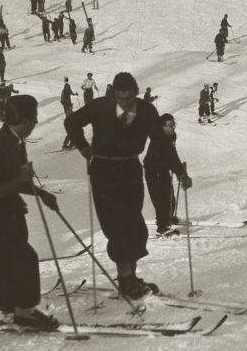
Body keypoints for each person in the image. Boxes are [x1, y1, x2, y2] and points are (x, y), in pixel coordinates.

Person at [63, 72, 169, 298]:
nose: (124, 103)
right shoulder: (101, 106)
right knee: (117, 225)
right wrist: (82, 146)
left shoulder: (147, 111)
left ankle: (130, 277)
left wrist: (177, 169)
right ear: (113, 94)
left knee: (135, 224)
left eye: (129, 98)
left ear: (136, 93)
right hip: (104, 170)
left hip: (130, 169)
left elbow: (160, 140)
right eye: (120, 99)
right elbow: (71, 122)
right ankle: (125, 280)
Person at [0, 94, 59, 329]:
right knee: (23, 257)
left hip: (5, 207)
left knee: (10, 259)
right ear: (25, 119)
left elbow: (16, 181)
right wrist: (19, 179)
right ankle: (25, 313)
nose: (36, 122)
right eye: (34, 117)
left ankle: (11, 306)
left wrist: (42, 194)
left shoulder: (15, 141)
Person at [143, 113, 192, 237]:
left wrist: (180, 172)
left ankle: (169, 218)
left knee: (169, 195)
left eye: (173, 125)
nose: (173, 128)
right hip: (153, 171)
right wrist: (181, 173)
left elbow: (173, 156)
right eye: (170, 125)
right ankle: (162, 227)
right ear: (162, 126)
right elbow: (171, 159)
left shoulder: (168, 137)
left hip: (162, 170)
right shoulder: (160, 139)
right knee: (161, 199)